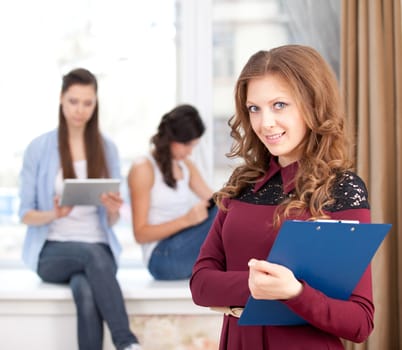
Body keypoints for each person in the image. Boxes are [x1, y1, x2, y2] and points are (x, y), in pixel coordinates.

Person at [190, 45, 374, 349]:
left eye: (279, 105)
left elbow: (359, 321)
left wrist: (295, 292)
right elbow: (200, 284)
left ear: (313, 105)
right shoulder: (242, 185)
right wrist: (260, 284)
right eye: (254, 109)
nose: (265, 123)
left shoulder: (341, 190)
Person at [18, 68, 141, 350]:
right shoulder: (39, 148)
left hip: (99, 250)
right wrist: (55, 214)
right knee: (90, 254)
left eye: (87, 103)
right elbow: (25, 213)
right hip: (52, 251)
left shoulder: (106, 148)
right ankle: (127, 342)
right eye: (74, 101)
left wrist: (112, 208)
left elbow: (110, 222)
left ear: (95, 104)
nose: (80, 110)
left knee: (85, 289)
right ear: (61, 99)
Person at [127, 104, 218, 280]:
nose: (190, 152)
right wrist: (187, 220)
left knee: (227, 209)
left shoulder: (186, 166)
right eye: (186, 145)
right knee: (223, 213)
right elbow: (140, 234)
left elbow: (216, 200)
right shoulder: (144, 168)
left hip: (183, 244)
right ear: (171, 138)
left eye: (194, 145)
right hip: (161, 257)